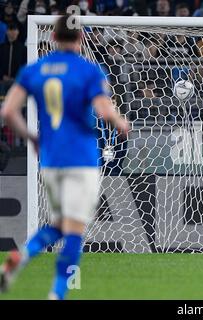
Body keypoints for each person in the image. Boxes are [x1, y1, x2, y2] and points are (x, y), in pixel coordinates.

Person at [0, 14, 129, 299]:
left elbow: (8, 112)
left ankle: (19, 259)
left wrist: (32, 137)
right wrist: (122, 124)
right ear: (81, 40)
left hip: (51, 159)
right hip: (81, 159)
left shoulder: (35, 70)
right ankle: (57, 293)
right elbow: (106, 112)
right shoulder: (89, 71)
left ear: (54, 38)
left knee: (60, 225)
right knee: (74, 230)